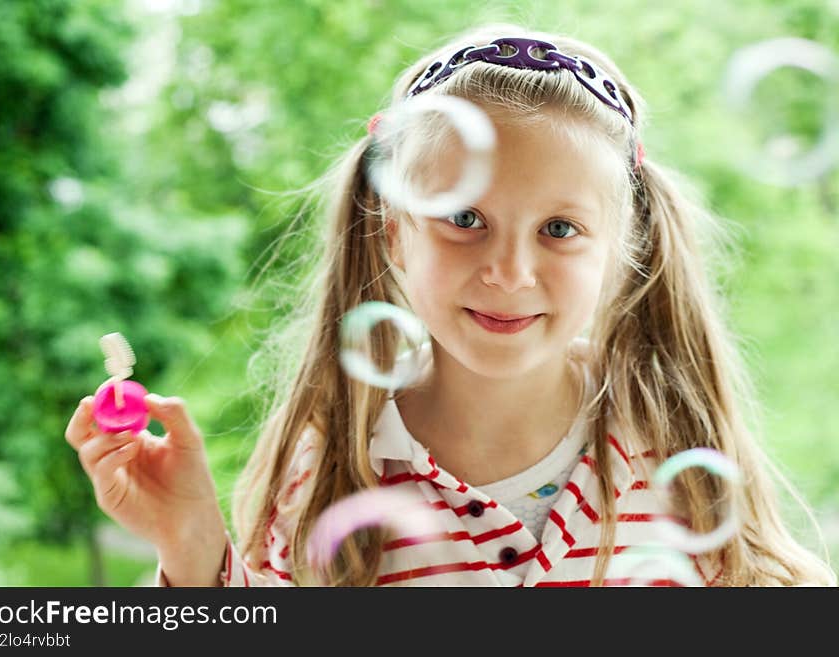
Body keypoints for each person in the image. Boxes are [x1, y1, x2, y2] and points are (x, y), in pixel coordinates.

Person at [64, 23, 836, 587]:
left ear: (618, 252)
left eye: (560, 229)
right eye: (464, 218)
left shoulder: (675, 448)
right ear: (395, 234)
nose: (508, 269)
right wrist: (193, 551)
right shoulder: (331, 472)